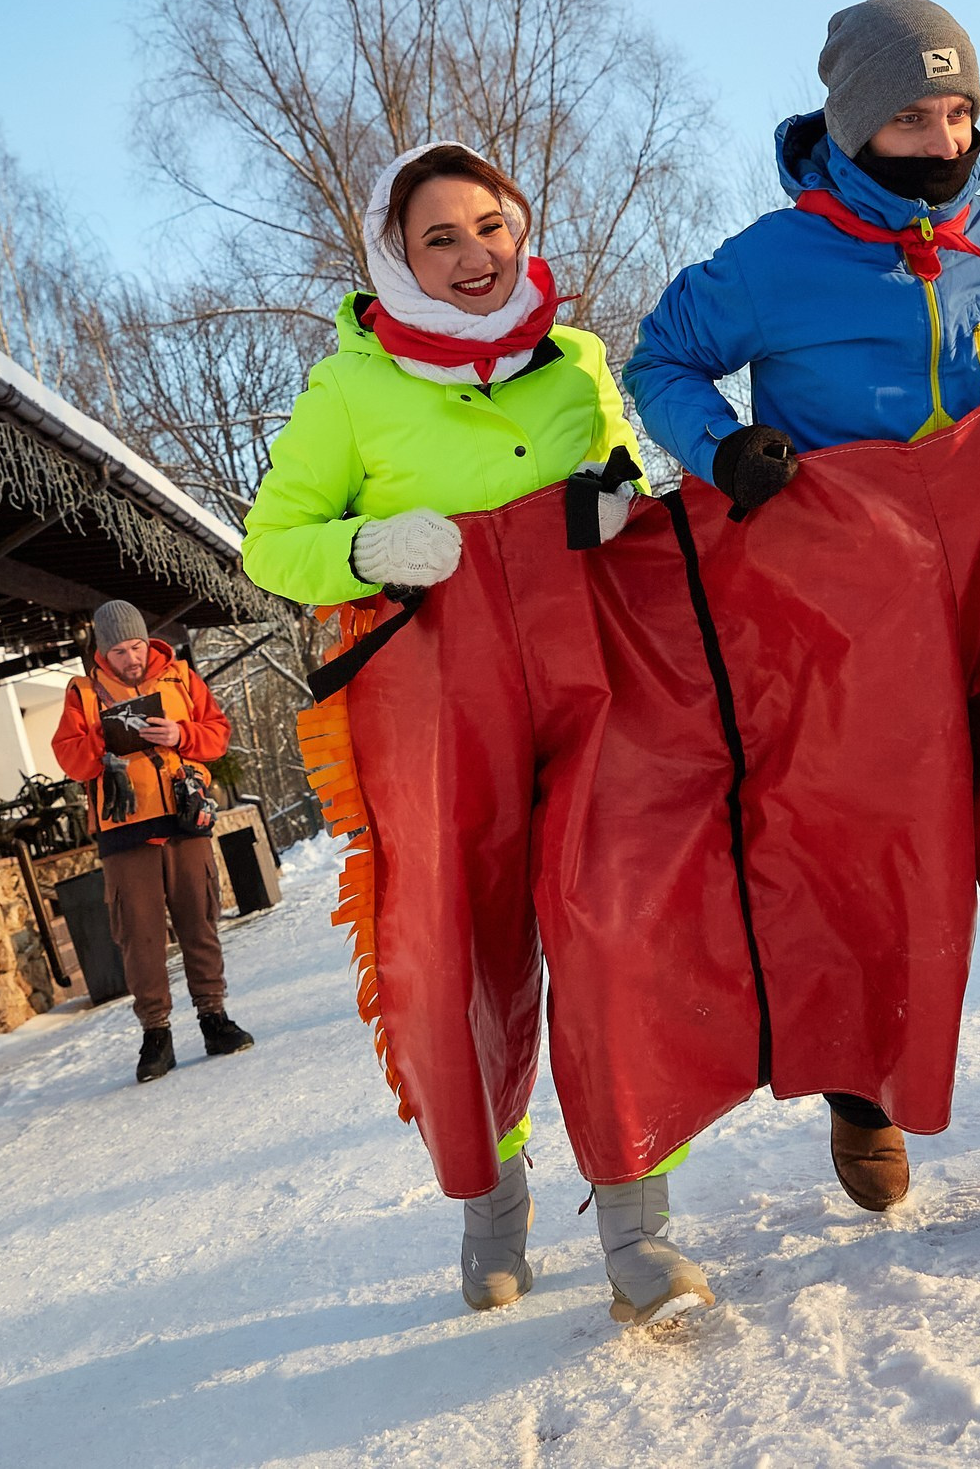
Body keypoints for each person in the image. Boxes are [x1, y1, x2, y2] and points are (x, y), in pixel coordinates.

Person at [625, 0, 980, 1226]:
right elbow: (659, 362)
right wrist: (721, 453)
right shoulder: (770, 262)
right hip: (845, 596)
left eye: (959, 111)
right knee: (866, 847)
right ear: (849, 124)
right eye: (909, 115)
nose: (942, 140)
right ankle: (859, 1085)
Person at [242, 142, 714, 1326]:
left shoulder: (576, 358)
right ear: (394, 256)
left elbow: (619, 468)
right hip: (438, 692)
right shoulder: (348, 385)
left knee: (611, 926)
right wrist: (365, 546)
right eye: (437, 238)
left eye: (489, 226)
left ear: (521, 227)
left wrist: (616, 499)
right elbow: (270, 541)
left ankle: (635, 1224)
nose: (471, 255)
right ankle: (492, 1206)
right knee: (468, 953)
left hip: (589, 677)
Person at [50, 599, 253, 1084]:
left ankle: (214, 1018)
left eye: (136, 646)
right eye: (119, 650)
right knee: (138, 937)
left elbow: (218, 735)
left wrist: (180, 733)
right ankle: (156, 1034)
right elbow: (69, 757)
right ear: (103, 651)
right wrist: (107, 740)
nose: (130, 658)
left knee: (200, 922)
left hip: (187, 819)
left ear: (147, 642)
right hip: (125, 831)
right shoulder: (82, 693)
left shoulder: (181, 679)